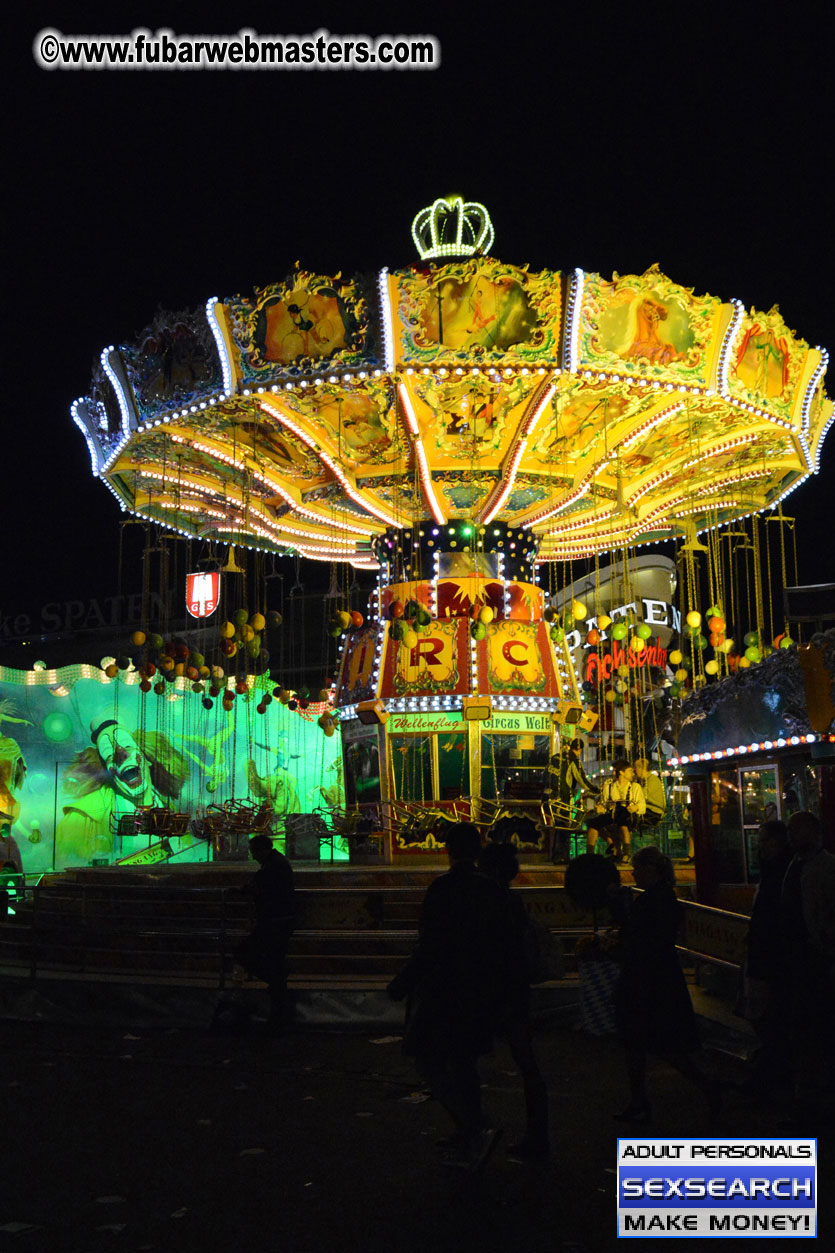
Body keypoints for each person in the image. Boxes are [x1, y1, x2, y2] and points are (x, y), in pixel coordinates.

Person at [387, 823, 507, 1171]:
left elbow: (430, 943)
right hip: (476, 986)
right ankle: (472, 1126)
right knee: (463, 1062)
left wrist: (405, 980)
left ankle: (473, 1125)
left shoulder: (442, 889)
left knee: (432, 1060)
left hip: (443, 987)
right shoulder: (489, 890)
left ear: (448, 850)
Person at [610, 845, 719, 1123]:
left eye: (637, 868)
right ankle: (644, 1099)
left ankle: (704, 1088)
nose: (633, 873)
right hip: (658, 977)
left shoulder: (652, 902)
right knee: (651, 1044)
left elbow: (639, 937)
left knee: (654, 1044)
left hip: (648, 979)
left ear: (650, 870)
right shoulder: (663, 898)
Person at [478, 841, 550, 1161]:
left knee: (467, 1057)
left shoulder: (488, 902)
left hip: (494, 987)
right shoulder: (513, 901)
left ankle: (477, 1130)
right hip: (515, 987)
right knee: (526, 1061)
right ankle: (538, 1134)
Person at [56, 719, 189, 865]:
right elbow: (67, 868)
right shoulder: (80, 819)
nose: (121, 753)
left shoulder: (171, 813)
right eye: (109, 754)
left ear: (147, 759)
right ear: (108, 773)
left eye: (128, 746)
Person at [778, 811, 835, 1114]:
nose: (791, 836)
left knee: (813, 1027)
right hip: (800, 956)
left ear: (813, 832)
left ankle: (812, 1096)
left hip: (814, 958)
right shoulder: (797, 865)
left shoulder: (823, 867)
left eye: (796, 831)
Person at [739, 820, 793, 1091]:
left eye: (764, 841)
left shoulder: (781, 871)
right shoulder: (781, 869)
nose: (760, 846)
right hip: (768, 953)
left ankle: (773, 1074)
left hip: (770, 955)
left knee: (767, 1015)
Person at [234, 833, 296, 1032]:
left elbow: (260, 887)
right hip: (279, 920)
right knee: (271, 960)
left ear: (262, 850)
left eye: (254, 852)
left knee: (245, 953)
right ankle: (278, 1000)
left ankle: (275, 984)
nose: (252, 857)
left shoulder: (272, 867)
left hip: (274, 922)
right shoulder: (277, 864)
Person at [543, 738, 599, 864]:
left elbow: (545, 774)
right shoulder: (573, 761)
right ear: (580, 750)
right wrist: (596, 790)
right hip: (562, 798)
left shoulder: (555, 758)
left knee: (557, 827)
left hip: (547, 797)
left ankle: (556, 855)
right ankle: (563, 857)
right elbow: (583, 781)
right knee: (565, 827)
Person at [586, 760, 645, 862]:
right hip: (613, 814)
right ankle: (590, 854)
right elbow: (604, 803)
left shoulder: (635, 787)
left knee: (623, 820)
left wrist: (635, 807)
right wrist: (600, 809)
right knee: (593, 823)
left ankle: (627, 853)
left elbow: (642, 804)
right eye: (630, 771)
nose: (633, 773)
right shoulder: (609, 786)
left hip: (628, 815)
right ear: (622, 772)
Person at [631, 758, 666, 841]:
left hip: (654, 811)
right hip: (648, 809)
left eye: (635, 768)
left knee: (627, 819)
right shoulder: (644, 780)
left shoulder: (652, 779)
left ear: (641, 768)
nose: (634, 771)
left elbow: (641, 795)